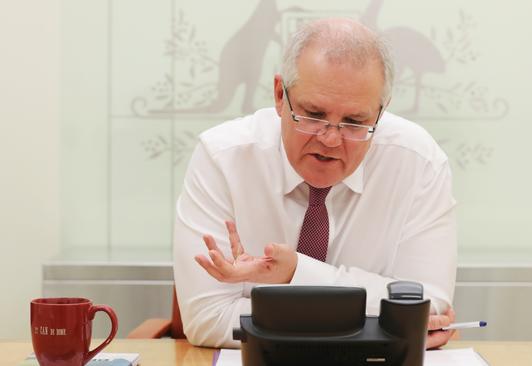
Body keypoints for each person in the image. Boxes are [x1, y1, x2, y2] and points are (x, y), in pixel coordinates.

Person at [173, 17, 457, 349]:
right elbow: (208, 318)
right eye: (313, 115)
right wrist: (378, 324)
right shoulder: (222, 158)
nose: (331, 139)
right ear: (280, 96)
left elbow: (428, 304)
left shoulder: (418, 161)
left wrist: (294, 273)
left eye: (354, 122)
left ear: (381, 112)